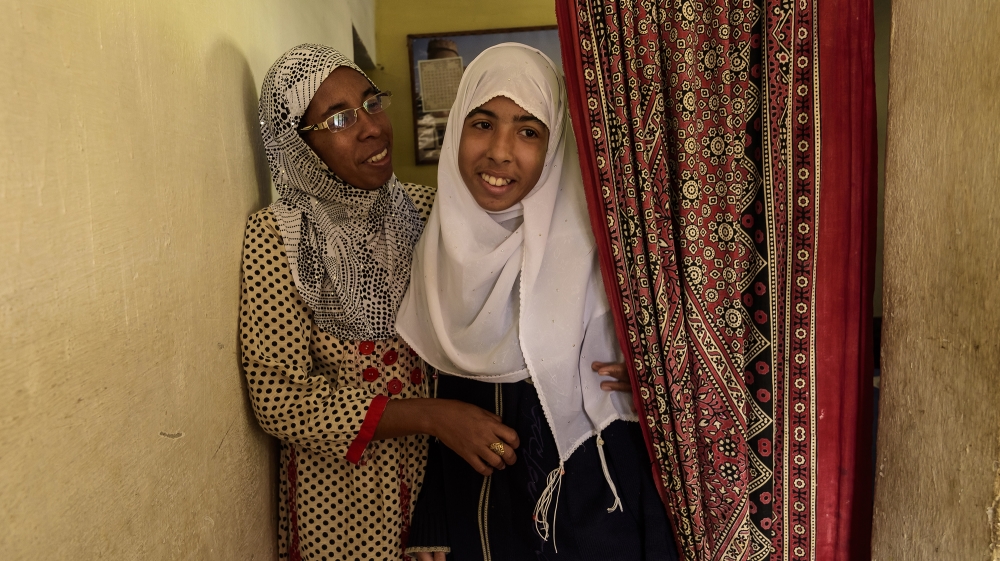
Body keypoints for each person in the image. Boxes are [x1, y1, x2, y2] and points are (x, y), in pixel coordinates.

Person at [241, 44, 555, 561]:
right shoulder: (279, 236)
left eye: (370, 103)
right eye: (339, 118)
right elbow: (280, 400)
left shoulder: (429, 210)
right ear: (297, 146)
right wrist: (431, 416)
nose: (371, 127)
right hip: (343, 501)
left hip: (450, 481)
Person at [396, 44, 679, 560]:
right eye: (482, 123)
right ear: (457, 125)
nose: (501, 151)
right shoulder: (435, 251)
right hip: (481, 513)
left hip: (599, 506)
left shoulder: (610, 252)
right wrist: (432, 522)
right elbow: (441, 405)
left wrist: (659, 383)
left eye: (529, 131)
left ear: (555, 146)